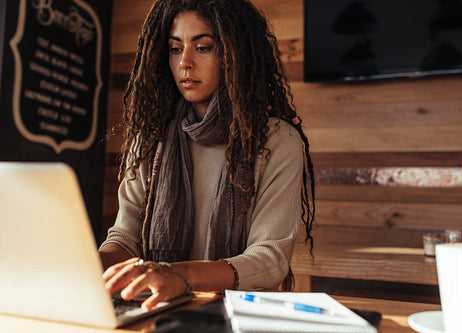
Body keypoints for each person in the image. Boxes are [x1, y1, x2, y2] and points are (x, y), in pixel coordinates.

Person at [99, 0, 315, 310]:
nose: (185, 62)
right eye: (175, 49)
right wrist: (91, 264)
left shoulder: (277, 142)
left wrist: (179, 275)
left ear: (234, 55)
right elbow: (125, 239)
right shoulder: (150, 138)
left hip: (234, 314)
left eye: (202, 47)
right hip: (151, 309)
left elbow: (269, 259)